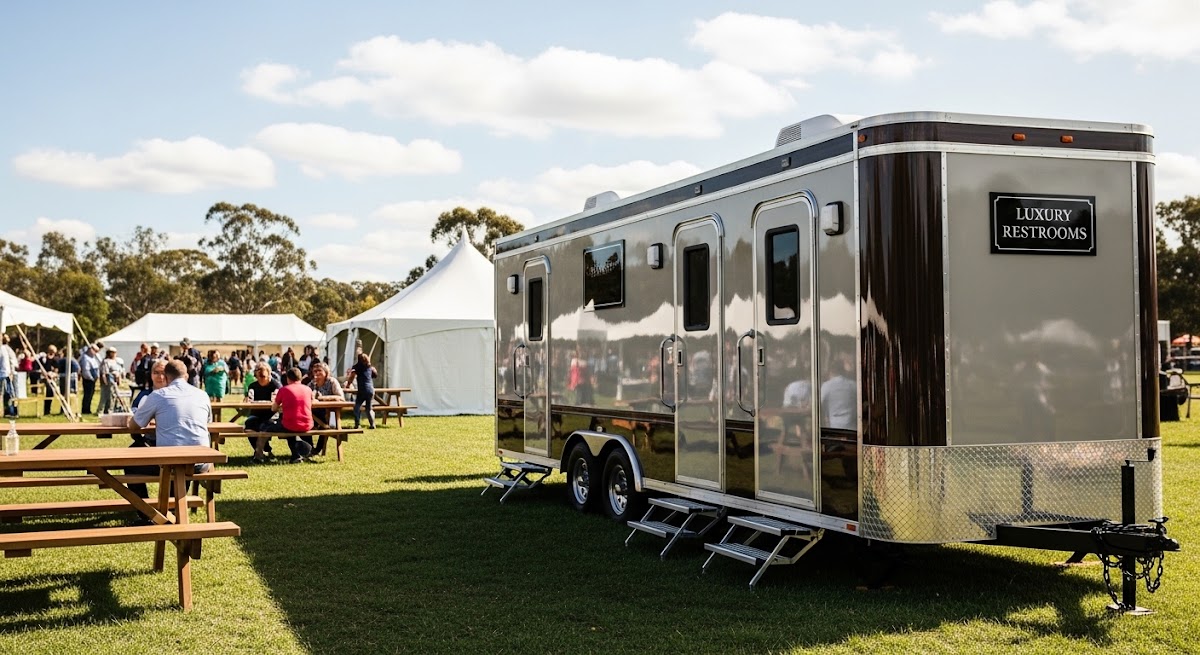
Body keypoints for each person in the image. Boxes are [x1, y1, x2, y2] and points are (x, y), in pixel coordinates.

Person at [125, 359, 213, 500]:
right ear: (186, 376)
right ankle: (173, 509)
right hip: (202, 462)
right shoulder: (202, 395)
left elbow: (134, 426)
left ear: (166, 377)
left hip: (171, 462)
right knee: (181, 456)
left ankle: (147, 512)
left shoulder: (158, 395)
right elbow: (207, 422)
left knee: (132, 463)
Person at [261, 367, 315, 463]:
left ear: (288, 378)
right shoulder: (308, 389)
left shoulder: (283, 390)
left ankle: (259, 454)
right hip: (308, 424)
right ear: (301, 378)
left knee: (265, 427)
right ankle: (300, 454)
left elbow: (273, 408)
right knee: (289, 424)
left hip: (290, 425)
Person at [244, 362, 280, 459]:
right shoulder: (252, 386)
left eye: (262, 376)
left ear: (269, 374)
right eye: (257, 376)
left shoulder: (276, 386)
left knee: (264, 427)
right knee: (248, 426)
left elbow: (275, 402)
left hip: (272, 415)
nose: (259, 379)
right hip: (256, 414)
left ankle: (260, 453)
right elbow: (249, 401)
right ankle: (265, 450)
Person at [345, 353, 377, 429]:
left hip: (362, 390)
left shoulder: (356, 367)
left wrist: (348, 385)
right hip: (370, 390)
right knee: (369, 409)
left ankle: (357, 423)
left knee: (357, 407)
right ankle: (372, 424)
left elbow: (352, 377)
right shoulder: (369, 367)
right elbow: (375, 375)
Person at [132, 343, 163, 408]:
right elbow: (143, 368)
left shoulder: (161, 358)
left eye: (155, 348)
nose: (154, 350)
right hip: (149, 381)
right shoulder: (147, 358)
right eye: (153, 348)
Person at [98, 347, 125, 414]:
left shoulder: (116, 362)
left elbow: (120, 371)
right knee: (105, 397)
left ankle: (111, 410)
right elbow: (104, 373)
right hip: (108, 380)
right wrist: (106, 382)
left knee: (113, 396)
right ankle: (100, 411)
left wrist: (119, 379)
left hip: (115, 381)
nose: (114, 354)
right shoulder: (106, 361)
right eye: (112, 352)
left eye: (115, 352)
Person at [78, 344, 100, 415]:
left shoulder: (93, 358)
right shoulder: (85, 358)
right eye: (95, 351)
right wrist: (91, 378)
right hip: (88, 379)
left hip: (93, 378)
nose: (96, 353)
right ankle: (85, 410)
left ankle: (88, 409)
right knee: (87, 395)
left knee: (90, 395)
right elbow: (86, 370)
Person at [42, 345, 60, 415]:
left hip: (53, 378)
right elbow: (42, 368)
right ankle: (46, 411)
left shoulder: (56, 360)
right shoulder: (44, 359)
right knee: (49, 393)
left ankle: (49, 410)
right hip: (45, 377)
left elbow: (56, 370)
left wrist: (53, 374)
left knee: (53, 393)